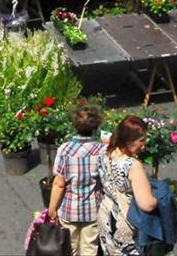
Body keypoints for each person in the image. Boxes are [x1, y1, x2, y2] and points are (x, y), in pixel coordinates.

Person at [47, 103, 105, 256]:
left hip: (69, 209)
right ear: (96, 127)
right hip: (93, 209)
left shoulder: (65, 149)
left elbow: (59, 184)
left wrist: (52, 208)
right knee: (90, 248)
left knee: (70, 248)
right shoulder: (101, 150)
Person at [97, 115, 159, 256]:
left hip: (105, 216)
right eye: (141, 141)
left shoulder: (104, 152)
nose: (144, 145)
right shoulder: (131, 165)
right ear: (128, 141)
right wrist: (158, 199)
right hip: (124, 222)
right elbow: (146, 204)